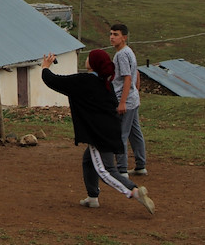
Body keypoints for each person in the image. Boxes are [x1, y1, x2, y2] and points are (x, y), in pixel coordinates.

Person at [41, 49, 155, 214]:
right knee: (88, 161)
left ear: (92, 64)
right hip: (109, 129)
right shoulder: (105, 83)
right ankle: (92, 197)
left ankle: (134, 191)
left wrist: (45, 67)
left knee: (106, 170)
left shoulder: (84, 81)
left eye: (89, 57)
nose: (86, 59)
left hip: (98, 133)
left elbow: (53, 81)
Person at [110, 24, 148, 177]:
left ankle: (122, 169)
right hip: (133, 99)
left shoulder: (121, 55)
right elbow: (135, 74)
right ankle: (140, 165)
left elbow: (127, 77)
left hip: (125, 100)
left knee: (121, 135)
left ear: (124, 37)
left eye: (116, 34)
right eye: (111, 34)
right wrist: (135, 92)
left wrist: (122, 101)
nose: (112, 37)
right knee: (135, 132)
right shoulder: (128, 51)